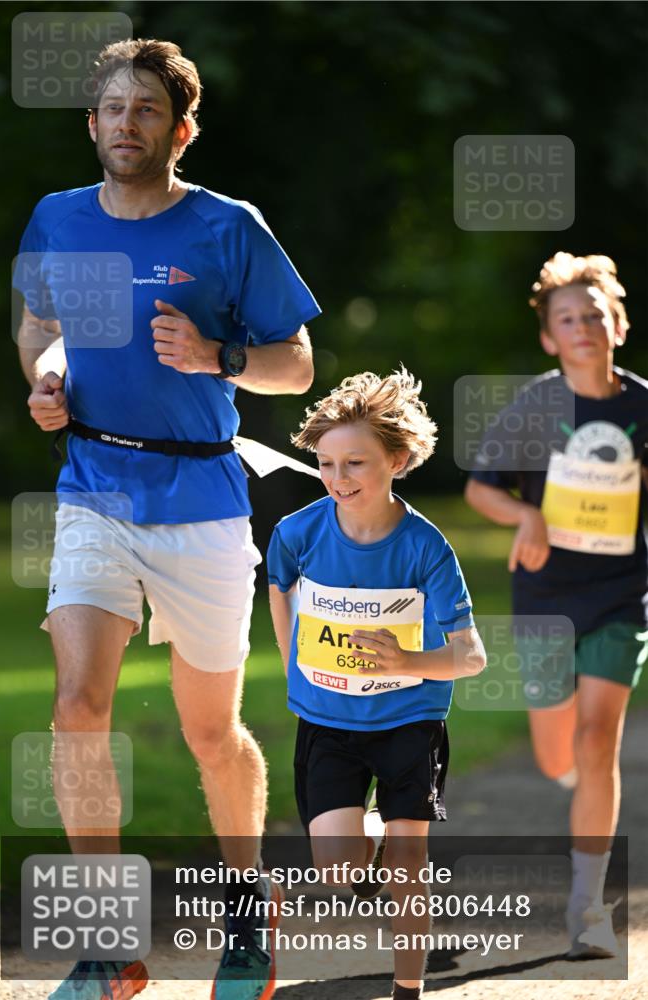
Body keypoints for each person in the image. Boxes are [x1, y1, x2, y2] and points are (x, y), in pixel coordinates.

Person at [13, 38, 320, 1000]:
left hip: (202, 502)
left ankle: (247, 920)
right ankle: (106, 950)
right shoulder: (58, 219)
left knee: (210, 732)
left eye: (145, 111)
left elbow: (296, 364)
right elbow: (38, 326)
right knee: (76, 709)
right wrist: (47, 380)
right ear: (91, 124)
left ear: (180, 129)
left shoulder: (228, 228)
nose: (125, 125)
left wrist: (217, 356)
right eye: (111, 110)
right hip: (93, 489)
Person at [267, 369, 486, 1000]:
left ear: (398, 458)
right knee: (339, 871)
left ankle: (407, 990)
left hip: (408, 725)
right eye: (327, 464)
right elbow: (278, 587)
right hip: (328, 723)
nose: (338, 479)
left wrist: (404, 663)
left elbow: (469, 656)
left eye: (355, 462)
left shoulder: (427, 548)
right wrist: (292, 663)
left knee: (408, 868)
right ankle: (375, 832)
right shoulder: (299, 532)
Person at [464, 252, 648, 958]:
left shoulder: (639, 405)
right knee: (554, 753)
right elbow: (481, 487)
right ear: (548, 336)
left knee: (597, 739)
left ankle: (586, 909)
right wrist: (524, 518)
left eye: (593, 314)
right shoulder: (535, 405)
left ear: (617, 326)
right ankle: (568, 771)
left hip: (620, 594)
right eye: (565, 318)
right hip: (544, 595)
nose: (581, 327)